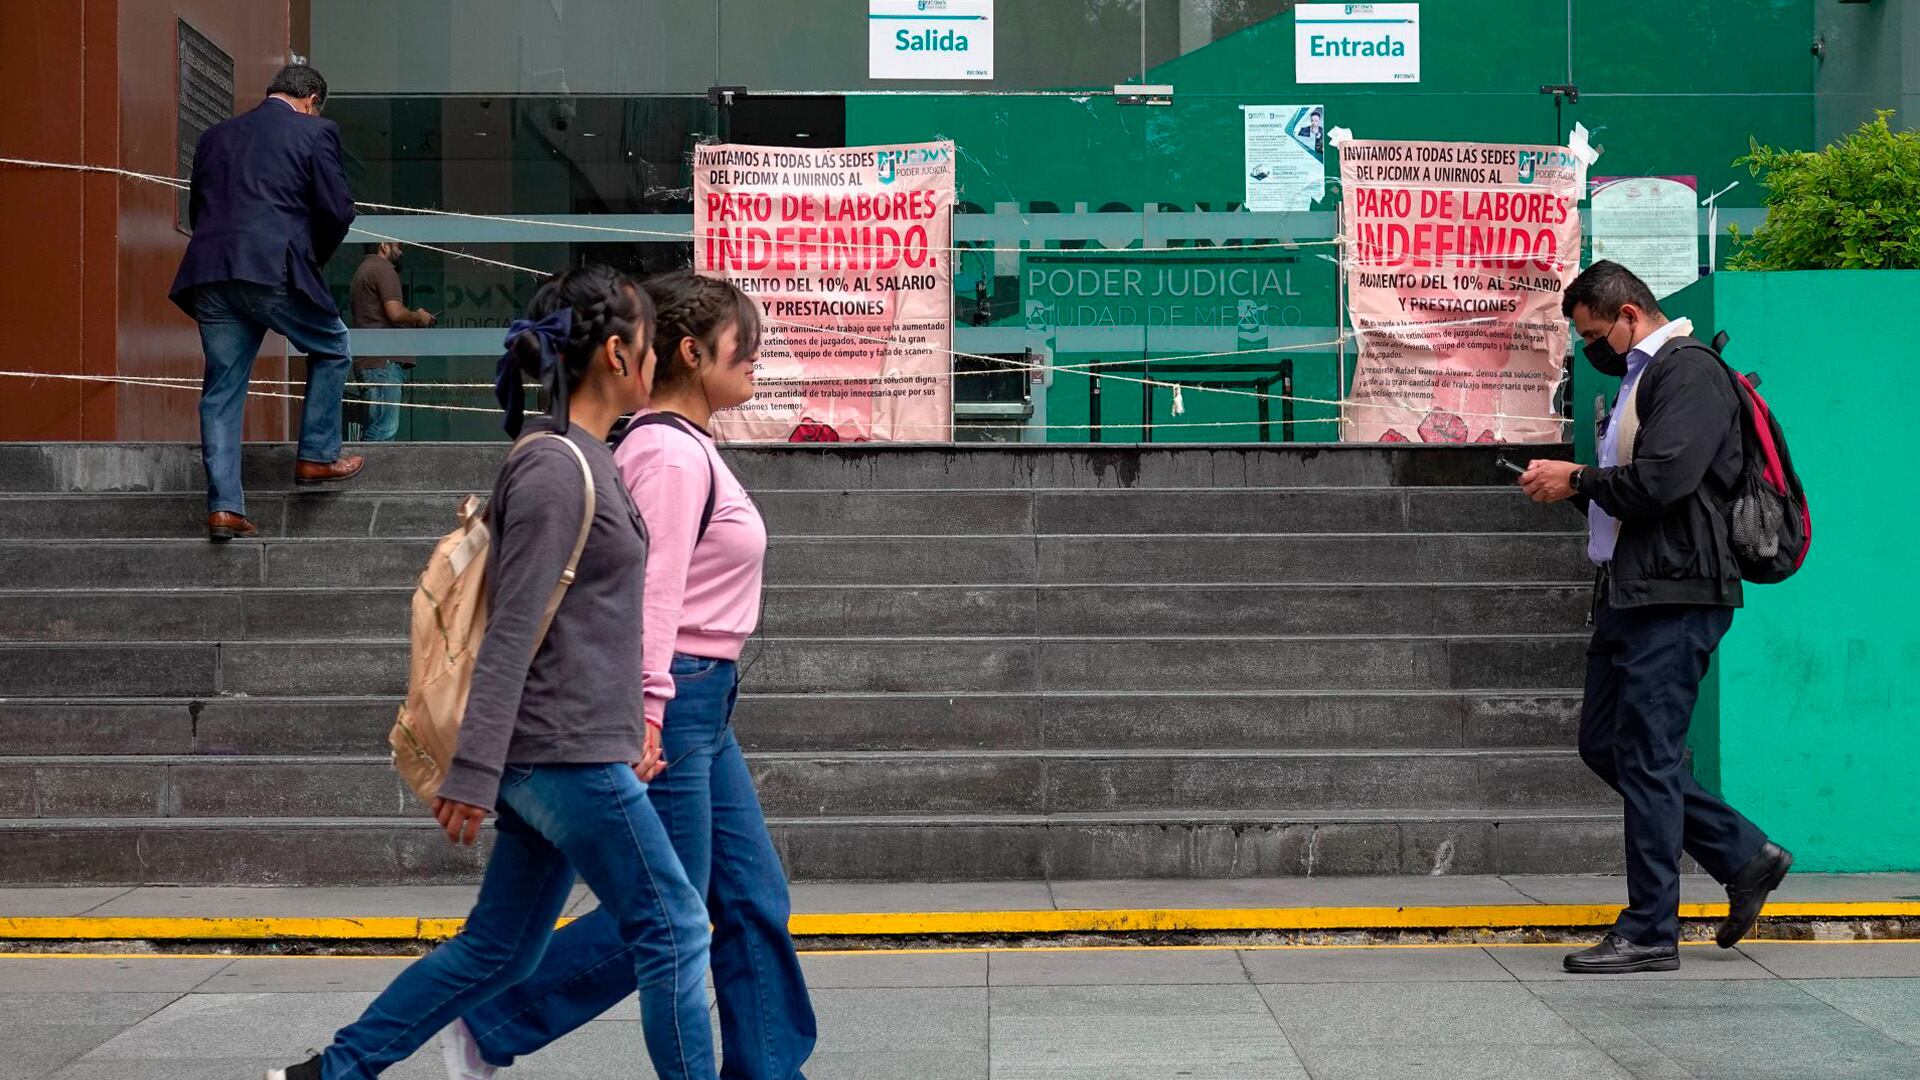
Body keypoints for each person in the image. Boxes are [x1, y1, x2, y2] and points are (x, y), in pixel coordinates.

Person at [268, 265, 718, 1080]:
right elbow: (512, 632)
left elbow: (587, 627)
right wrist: (473, 773)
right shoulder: (554, 466)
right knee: (676, 927)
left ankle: (330, 1074)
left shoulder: (587, 456)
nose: (656, 365)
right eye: (650, 347)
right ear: (618, 355)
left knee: (500, 952)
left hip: (574, 745)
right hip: (559, 752)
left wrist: (629, 730)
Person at [448, 271, 817, 1079]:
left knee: (750, 902)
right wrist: (647, 710)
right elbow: (650, 594)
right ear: (692, 352)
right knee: (665, 916)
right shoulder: (667, 454)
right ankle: (491, 1019)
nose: (756, 361)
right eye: (743, 348)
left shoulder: (686, 449)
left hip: (703, 704)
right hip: (674, 699)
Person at [1520, 260, 1793, 975]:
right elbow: (1639, 491)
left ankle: (1650, 929)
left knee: (1644, 752)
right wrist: (1574, 488)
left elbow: (1666, 480)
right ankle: (1743, 854)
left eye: (1591, 332)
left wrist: (1578, 477)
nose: (1590, 348)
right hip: (1633, 591)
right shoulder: (1642, 378)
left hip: (1677, 593)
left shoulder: (1688, 370)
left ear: (1627, 314)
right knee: (1607, 744)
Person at [170, 63, 367, 542]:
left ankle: (225, 508)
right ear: (312, 97)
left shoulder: (216, 135)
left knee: (221, 390)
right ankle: (317, 456)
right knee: (333, 346)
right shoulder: (316, 132)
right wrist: (308, 257)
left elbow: (199, 207)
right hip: (273, 267)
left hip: (212, 270)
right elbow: (338, 209)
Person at [349, 242, 435, 442]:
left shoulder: (362, 271)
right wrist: (419, 317)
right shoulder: (383, 269)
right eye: (398, 245)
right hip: (382, 362)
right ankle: (372, 474)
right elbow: (395, 314)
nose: (401, 251)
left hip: (371, 361)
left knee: (376, 428)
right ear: (384, 246)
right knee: (382, 432)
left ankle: (369, 472)